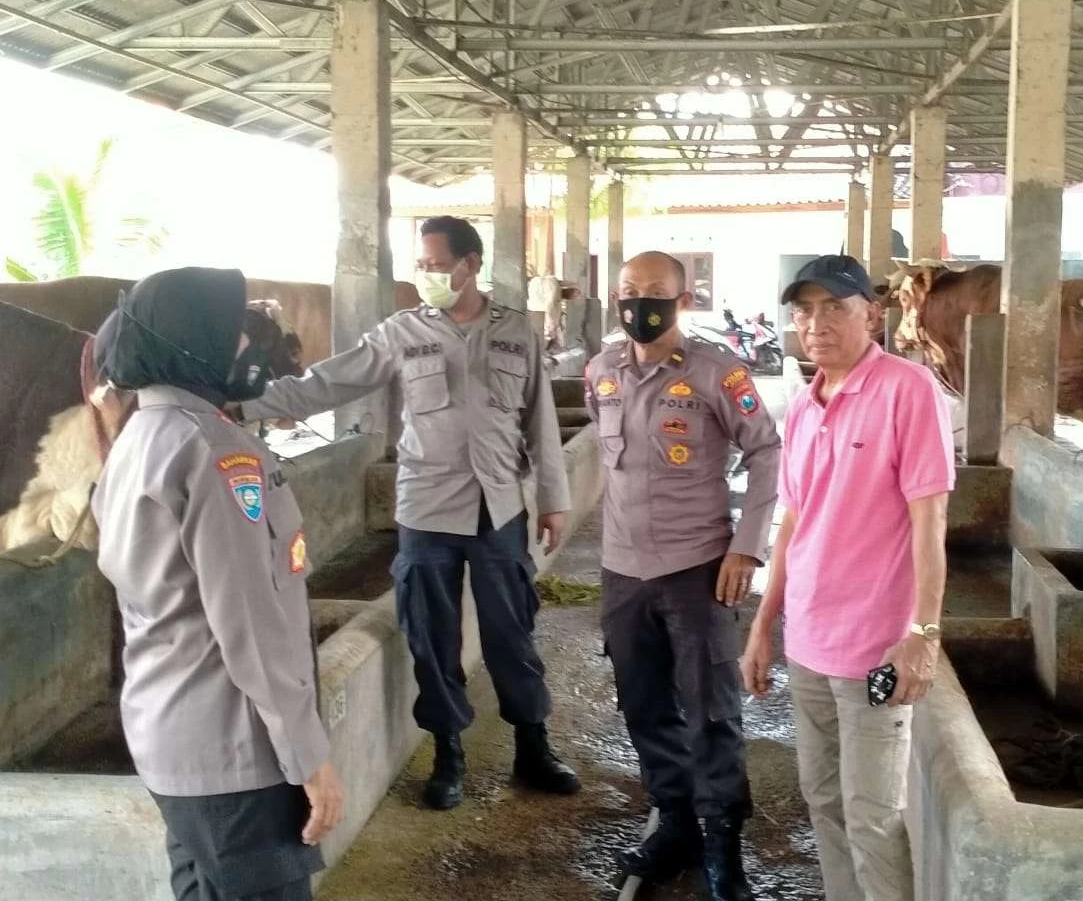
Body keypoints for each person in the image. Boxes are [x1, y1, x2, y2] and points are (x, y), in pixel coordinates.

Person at [232, 216, 579, 811]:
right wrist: (238, 400)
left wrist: (553, 497)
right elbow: (325, 384)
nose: (426, 275)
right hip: (426, 511)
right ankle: (448, 754)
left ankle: (533, 745)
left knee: (510, 633)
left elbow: (539, 421)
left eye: (436, 264)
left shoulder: (515, 332)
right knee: (431, 637)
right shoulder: (400, 332)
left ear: (470, 266)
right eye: (420, 265)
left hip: (499, 509)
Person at [92, 267, 344, 901]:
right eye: (233, 329)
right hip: (235, 757)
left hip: (171, 743)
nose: (246, 344)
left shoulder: (137, 437)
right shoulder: (214, 452)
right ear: (191, 339)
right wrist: (307, 756)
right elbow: (252, 625)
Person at [740, 255, 954, 901]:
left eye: (835, 306)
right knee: (824, 801)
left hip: (875, 651)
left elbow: (929, 521)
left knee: (873, 814)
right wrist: (761, 625)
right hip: (808, 642)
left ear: (873, 314)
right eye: (804, 310)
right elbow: (793, 524)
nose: (816, 323)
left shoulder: (908, 390)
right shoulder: (804, 408)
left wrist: (923, 631)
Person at [585, 251, 781, 901]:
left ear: (683, 298)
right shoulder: (600, 372)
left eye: (655, 294)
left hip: (697, 571)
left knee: (712, 715)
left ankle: (724, 848)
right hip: (622, 573)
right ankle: (675, 824)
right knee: (643, 707)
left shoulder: (717, 373)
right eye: (628, 292)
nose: (639, 304)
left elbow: (765, 452)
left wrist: (746, 548)